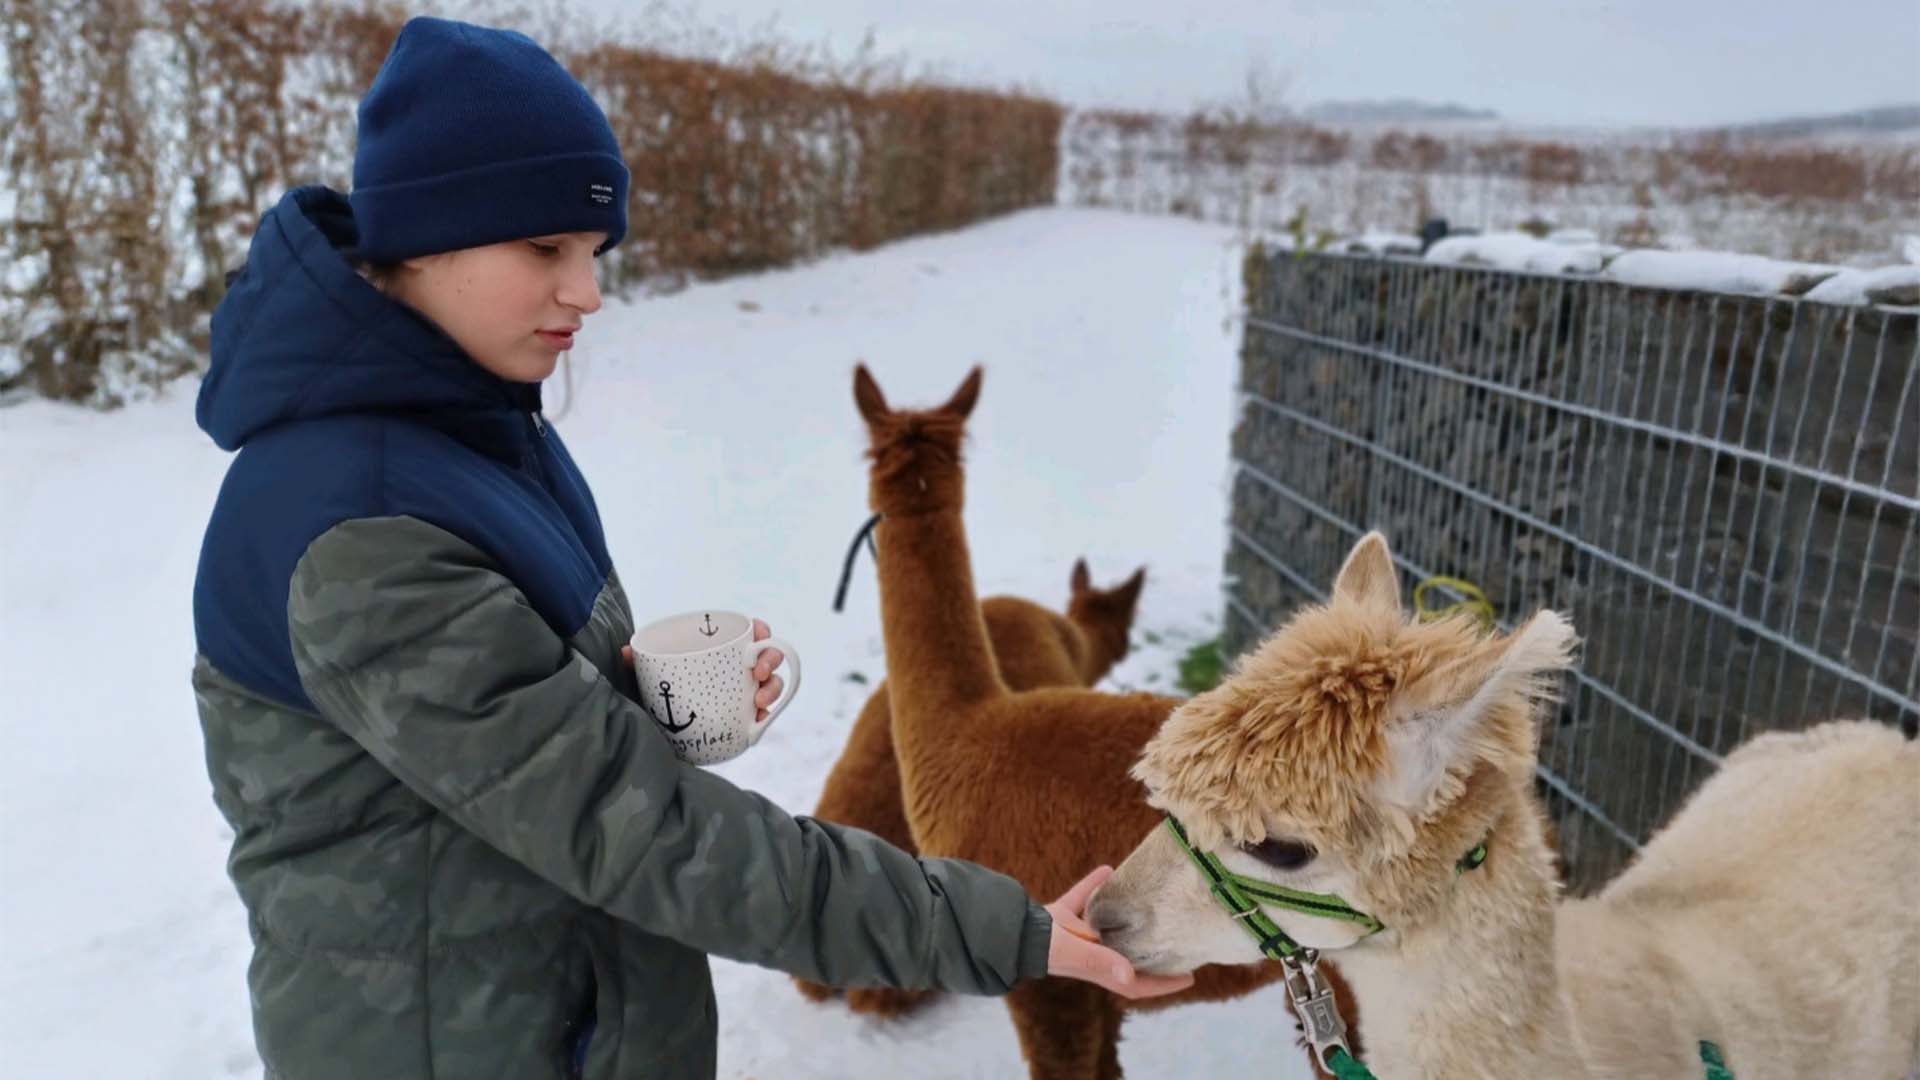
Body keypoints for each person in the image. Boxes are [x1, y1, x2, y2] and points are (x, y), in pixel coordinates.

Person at [189, 16, 1189, 1078]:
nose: (589, 290)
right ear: (428, 235)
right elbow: (648, 836)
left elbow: (514, 757)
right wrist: (1006, 930)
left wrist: (642, 703)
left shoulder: (477, 426)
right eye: (545, 248)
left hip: (567, 1011)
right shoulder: (361, 529)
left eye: (594, 251)